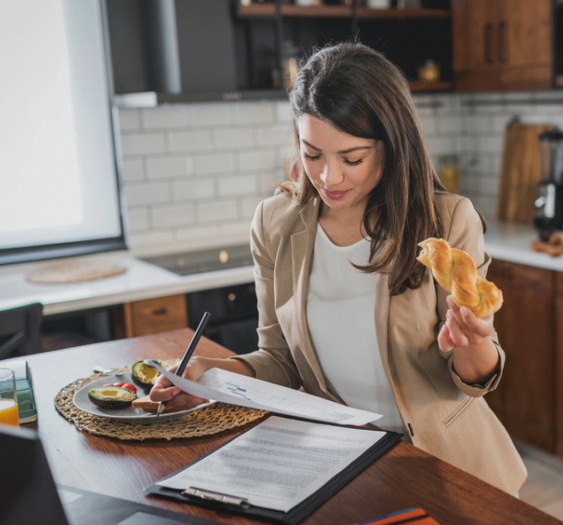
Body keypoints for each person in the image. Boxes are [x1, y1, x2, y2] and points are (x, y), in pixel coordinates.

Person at [150, 42, 526, 495]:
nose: (329, 178)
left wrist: (476, 341)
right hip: (347, 464)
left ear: (391, 144)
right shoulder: (275, 224)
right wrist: (212, 375)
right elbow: (280, 362)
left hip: (449, 468)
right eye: (313, 155)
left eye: (351, 159)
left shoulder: (446, 222)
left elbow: (476, 380)